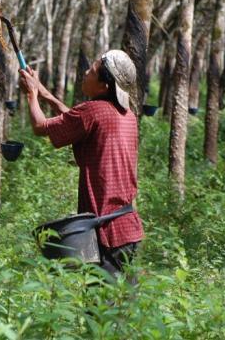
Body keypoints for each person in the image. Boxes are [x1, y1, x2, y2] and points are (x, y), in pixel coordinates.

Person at [18, 50, 144, 281]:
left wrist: (31, 95)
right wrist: (45, 94)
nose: (86, 72)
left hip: (108, 233)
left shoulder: (93, 111)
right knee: (126, 306)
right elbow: (77, 120)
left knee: (100, 310)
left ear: (104, 86)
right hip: (128, 228)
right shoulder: (127, 116)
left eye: (93, 71)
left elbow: (39, 126)